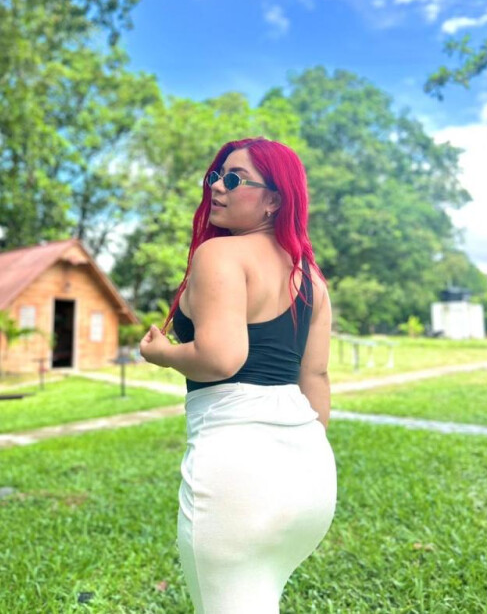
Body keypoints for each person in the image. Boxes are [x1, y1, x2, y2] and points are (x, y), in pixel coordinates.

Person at [139, 136, 337, 614]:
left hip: (238, 474)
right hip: (311, 475)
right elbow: (316, 377)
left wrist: (164, 354)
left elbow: (221, 358)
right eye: (215, 176)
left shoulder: (220, 255)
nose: (217, 187)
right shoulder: (311, 278)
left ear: (274, 200)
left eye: (234, 179)